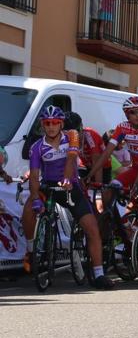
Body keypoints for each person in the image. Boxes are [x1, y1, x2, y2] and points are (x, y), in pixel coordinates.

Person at [22, 106, 113, 289]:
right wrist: (35, 196)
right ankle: (32, 251)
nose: (51, 127)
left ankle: (99, 274)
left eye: (55, 123)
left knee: (92, 227)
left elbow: (71, 158)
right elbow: (34, 175)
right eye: (47, 123)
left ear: (61, 123)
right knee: (29, 207)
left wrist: (66, 178)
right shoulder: (37, 147)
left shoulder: (72, 135)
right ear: (42, 125)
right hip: (48, 185)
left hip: (70, 185)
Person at [86, 96, 138, 208]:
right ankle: (109, 220)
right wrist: (89, 175)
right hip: (135, 169)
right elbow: (106, 153)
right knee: (109, 190)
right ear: (126, 114)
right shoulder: (122, 128)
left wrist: (137, 182)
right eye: (133, 112)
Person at [63, 112, 111, 184]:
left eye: (75, 132)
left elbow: (97, 164)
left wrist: (98, 185)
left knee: (100, 189)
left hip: (103, 167)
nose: (72, 136)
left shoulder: (90, 135)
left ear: (81, 127)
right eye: (68, 134)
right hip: (86, 166)